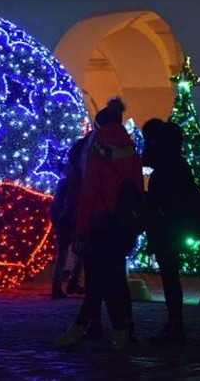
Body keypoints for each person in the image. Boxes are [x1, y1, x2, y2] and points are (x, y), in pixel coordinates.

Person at [54, 97, 143, 350]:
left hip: (98, 225)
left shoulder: (96, 153)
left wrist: (80, 232)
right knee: (113, 279)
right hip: (123, 226)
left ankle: (86, 328)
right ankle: (121, 329)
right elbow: (137, 190)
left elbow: (88, 195)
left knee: (97, 281)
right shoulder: (132, 152)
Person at [142, 119, 194, 345]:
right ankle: (175, 323)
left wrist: (156, 211)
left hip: (167, 228)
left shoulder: (167, 168)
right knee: (170, 276)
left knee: (170, 276)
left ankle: (176, 324)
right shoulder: (177, 164)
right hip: (172, 226)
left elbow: (165, 199)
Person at [49, 137, 88, 299]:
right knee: (77, 253)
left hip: (65, 221)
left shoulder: (65, 182)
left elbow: (57, 203)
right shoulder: (78, 180)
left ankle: (61, 285)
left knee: (67, 255)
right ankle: (65, 284)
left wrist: (56, 219)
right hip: (71, 221)